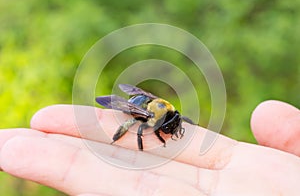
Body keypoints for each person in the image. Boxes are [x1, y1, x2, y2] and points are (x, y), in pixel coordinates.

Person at [0, 100, 299, 195]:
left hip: (151, 105)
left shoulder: (169, 111)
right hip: (138, 108)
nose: (171, 130)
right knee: (132, 127)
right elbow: (150, 127)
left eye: (173, 125)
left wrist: (175, 125)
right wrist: (152, 140)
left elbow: (170, 116)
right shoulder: (148, 118)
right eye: (168, 128)